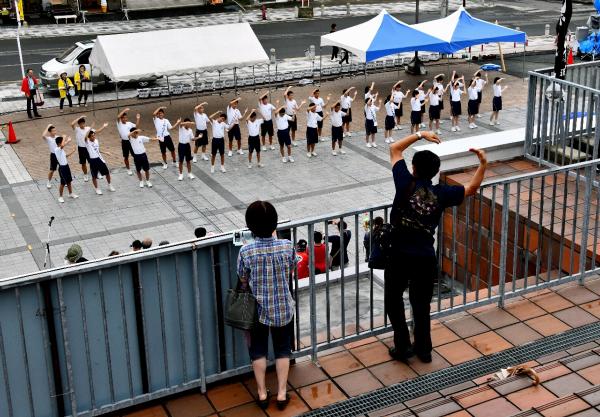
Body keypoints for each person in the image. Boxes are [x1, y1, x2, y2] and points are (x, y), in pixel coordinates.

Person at [386, 130, 487, 364]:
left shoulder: (404, 182)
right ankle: (424, 350)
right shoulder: (441, 193)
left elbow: (394, 149)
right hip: (424, 256)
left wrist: (421, 134)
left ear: (413, 167)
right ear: (435, 172)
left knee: (394, 299)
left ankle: (403, 347)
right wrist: (483, 163)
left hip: (399, 253)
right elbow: (471, 189)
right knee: (421, 304)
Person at [237, 201, 295, 411]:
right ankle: (281, 394)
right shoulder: (287, 246)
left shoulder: (246, 251)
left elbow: (243, 279)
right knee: (282, 350)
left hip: (257, 311)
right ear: (275, 223)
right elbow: (290, 270)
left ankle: (262, 394)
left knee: (258, 351)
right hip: (283, 308)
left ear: (250, 226)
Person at [85, 129, 116, 195]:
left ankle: (109, 185)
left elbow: (98, 149)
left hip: (100, 159)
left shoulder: (96, 141)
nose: (94, 137)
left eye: (94, 136)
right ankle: (97, 189)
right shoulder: (87, 142)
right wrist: (90, 128)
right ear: (89, 137)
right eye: (92, 136)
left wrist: (105, 152)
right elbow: (85, 137)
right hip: (93, 161)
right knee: (94, 176)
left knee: (107, 173)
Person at [54, 136, 79, 203]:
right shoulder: (57, 149)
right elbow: (62, 145)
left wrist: (73, 151)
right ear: (59, 143)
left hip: (66, 167)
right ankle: (60, 197)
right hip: (62, 168)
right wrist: (66, 139)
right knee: (62, 183)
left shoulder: (61, 150)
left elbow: (65, 156)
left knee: (69, 181)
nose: (64, 142)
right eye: (62, 141)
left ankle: (70, 193)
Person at [117, 108, 141, 176]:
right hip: (124, 142)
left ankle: (137, 167)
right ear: (121, 119)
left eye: (125, 117)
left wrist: (138, 118)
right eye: (123, 118)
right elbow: (118, 117)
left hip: (131, 141)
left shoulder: (129, 123)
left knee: (135, 155)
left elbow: (136, 126)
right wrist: (124, 110)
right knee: (126, 156)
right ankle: (128, 169)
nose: (124, 119)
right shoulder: (119, 123)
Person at [70, 116, 90, 182]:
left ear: (84, 123)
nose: (82, 125)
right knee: (83, 163)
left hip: (88, 148)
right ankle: (85, 175)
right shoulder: (77, 129)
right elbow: (72, 124)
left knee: (92, 161)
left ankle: (96, 173)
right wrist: (79, 117)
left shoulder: (88, 128)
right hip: (81, 148)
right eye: (81, 124)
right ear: (79, 124)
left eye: (83, 123)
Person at [43, 124, 59, 189]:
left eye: (55, 130)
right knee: (52, 170)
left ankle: (64, 181)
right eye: (53, 131)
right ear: (50, 132)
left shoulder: (58, 137)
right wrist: (47, 126)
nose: (55, 132)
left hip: (59, 154)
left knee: (62, 168)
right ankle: (48, 181)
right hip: (53, 155)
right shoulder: (48, 139)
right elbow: (43, 135)